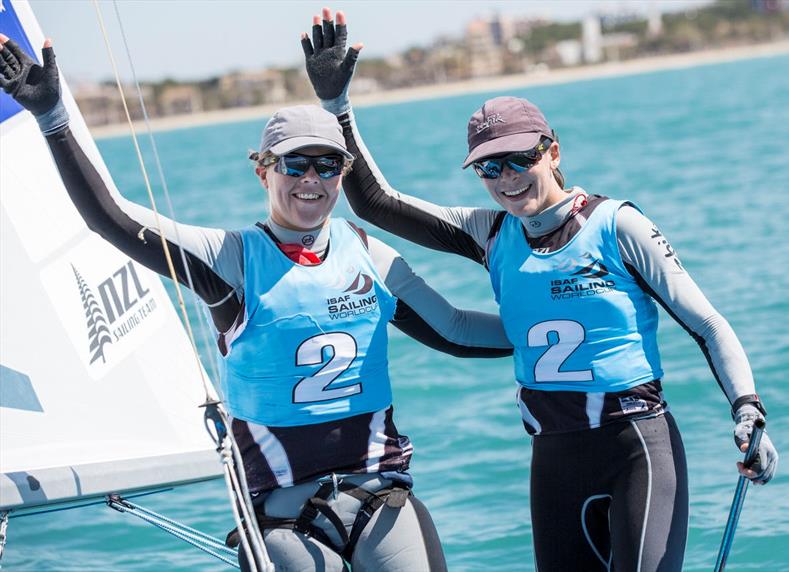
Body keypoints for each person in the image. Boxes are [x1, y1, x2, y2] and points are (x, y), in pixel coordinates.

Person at [0, 32, 515, 572]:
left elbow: (455, 330)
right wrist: (53, 117)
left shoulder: (370, 254)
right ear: (263, 171)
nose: (312, 180)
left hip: (379, 499)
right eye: (296, 166)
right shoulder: (231, 260)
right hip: (283, 519)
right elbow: (113, 218)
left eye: (328, 166)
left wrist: (573, 318)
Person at [299, 9, 780, 571]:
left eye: (522, 159)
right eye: (490, 168)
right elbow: (377, 202)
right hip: (552, 457)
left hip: (637, 447)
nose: (508, 178)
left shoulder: (617, 225)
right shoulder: (492, 232)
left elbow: (707, 324)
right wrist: (337, 110)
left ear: (553, 151)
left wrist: (747, 409)